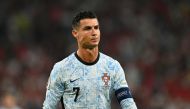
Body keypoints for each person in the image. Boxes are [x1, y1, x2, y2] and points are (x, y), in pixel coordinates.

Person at [43, 11, 137, 109]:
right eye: (87, 28)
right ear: (75, 33)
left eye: (96, 28)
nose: (94, 32)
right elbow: (49, 106)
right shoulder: (61, 69)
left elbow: (128, 103)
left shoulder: (113, 67)